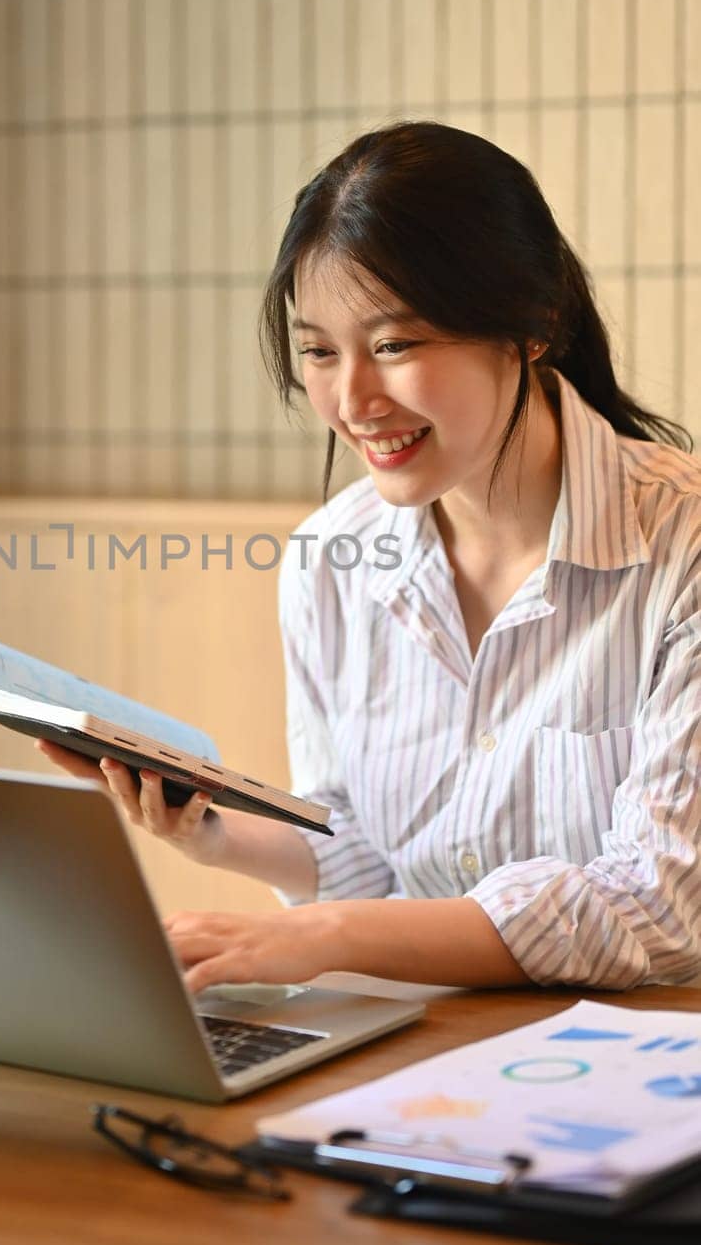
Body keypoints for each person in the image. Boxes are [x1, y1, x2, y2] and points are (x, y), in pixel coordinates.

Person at [38, 121, 701, 996]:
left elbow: (658, 903)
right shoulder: (328, 561)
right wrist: (210, 831)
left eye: (394, 345)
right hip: (426, 1047)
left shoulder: (680, 544)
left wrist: (326, 937)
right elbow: (369, 850)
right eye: (318, 351)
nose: (351, 401)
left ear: (534, 323)